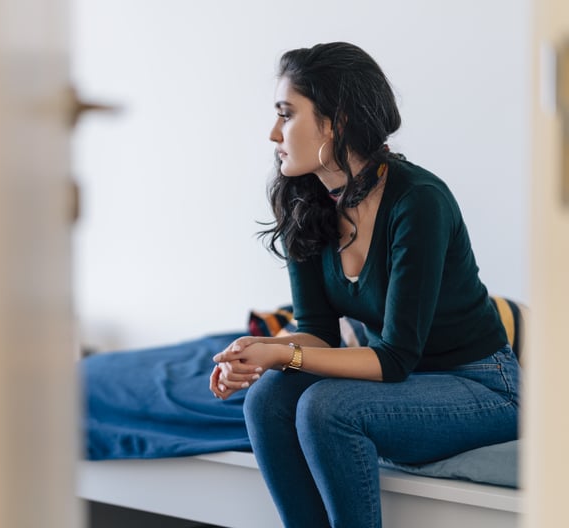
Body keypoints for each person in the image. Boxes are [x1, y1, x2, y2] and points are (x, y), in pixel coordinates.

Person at [208, 42, 519, 528]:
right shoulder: (304, 202)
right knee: (267, 397)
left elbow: (395, 358)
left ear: (334, 122)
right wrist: (258, 349)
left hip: (481, 385)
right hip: (407, 382)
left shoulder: (419, 202)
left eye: (286, 115)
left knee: (326, 408)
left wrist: (283, 354)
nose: (273, 133)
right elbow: (317, 330)